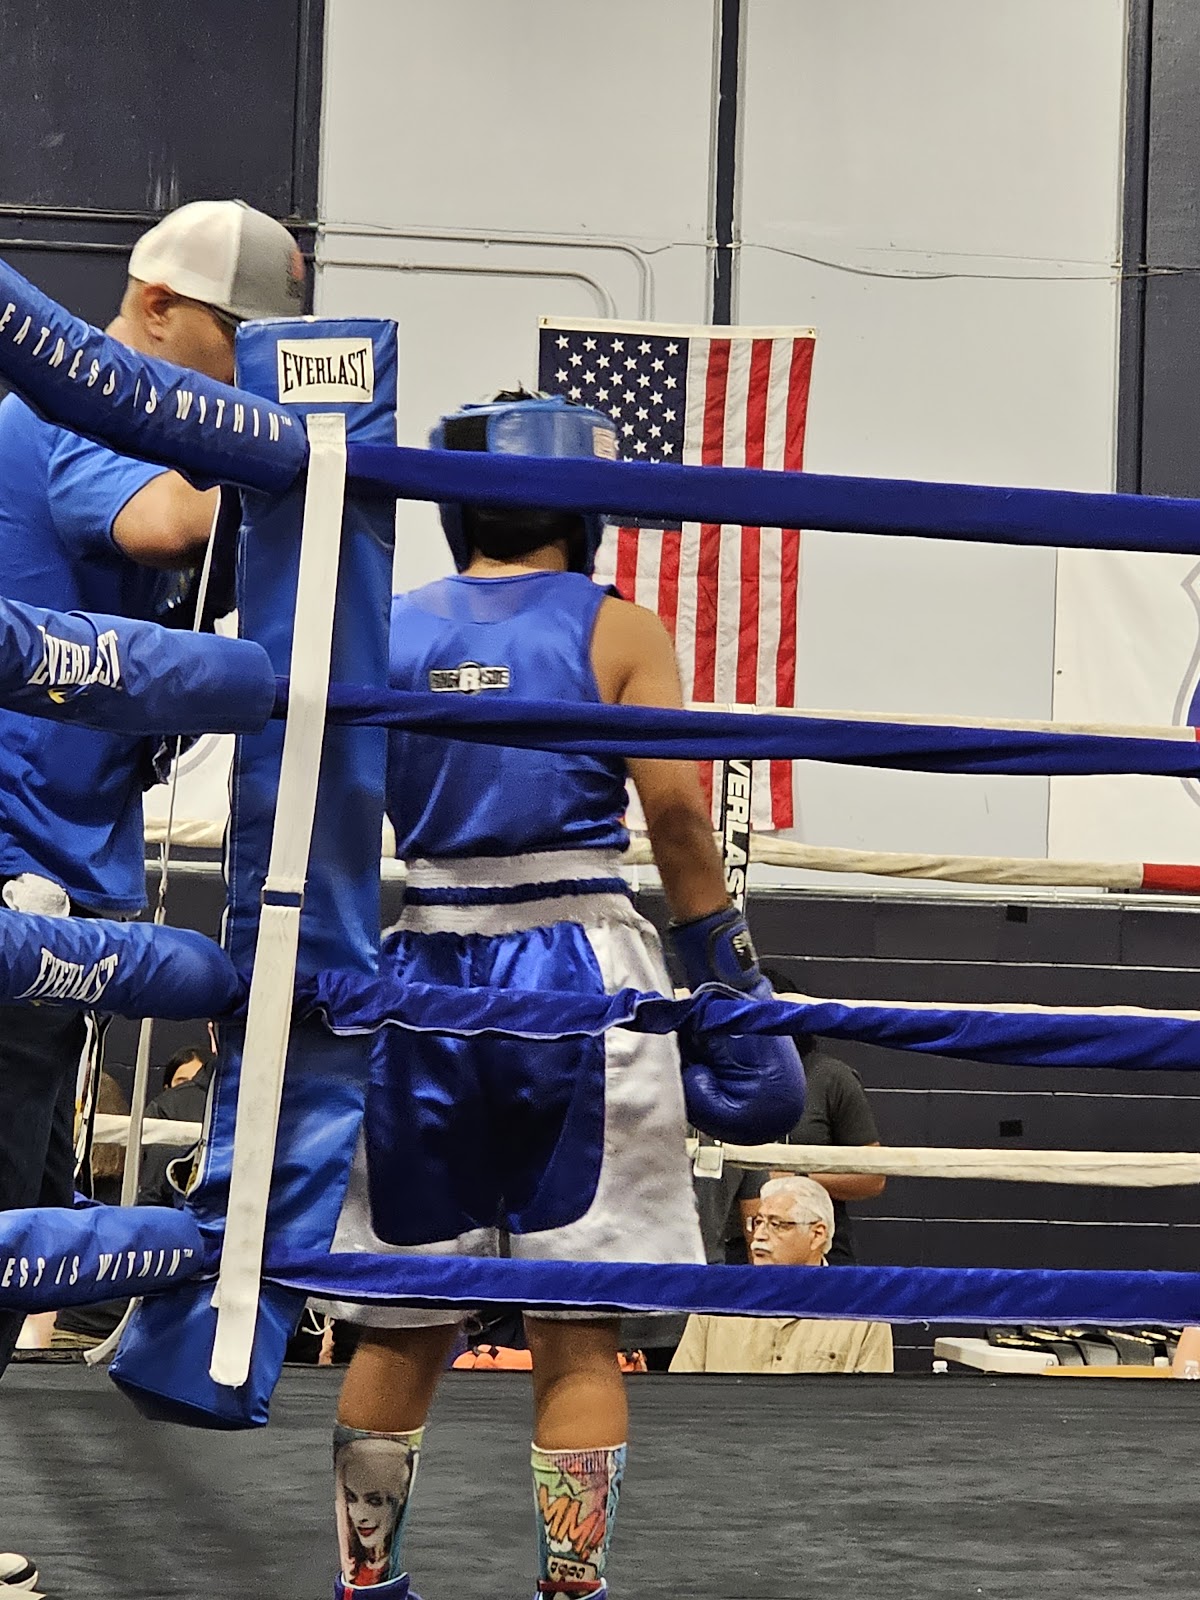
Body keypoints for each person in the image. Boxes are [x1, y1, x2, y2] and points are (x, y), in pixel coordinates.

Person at [320, 391, 806, 1599]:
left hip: (425, 964)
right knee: (576, 1319)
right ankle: (570, 1592)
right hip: (575, 972)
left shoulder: (381, 627)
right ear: (584, 508)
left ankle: (365, 1584)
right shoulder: (618, 628)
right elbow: (682, 819)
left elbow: (328, 814)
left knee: (406, 1309)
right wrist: (729, 981)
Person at [0, 199, 304, 1383]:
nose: (256, 368)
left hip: (60, 875)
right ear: (160, 307)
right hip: (19, 869)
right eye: (243, 334)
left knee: (27, 1211)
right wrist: (304, 449)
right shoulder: (72, 411)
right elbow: (177, 526)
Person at [669, 1176, 893, 1374]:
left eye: (777, 1224)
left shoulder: (864, 1316)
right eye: (757, 1222)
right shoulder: (715, 1304)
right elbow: (681, 1396)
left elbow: (873, 1409)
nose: (759, 1235)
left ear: (816, 1235)